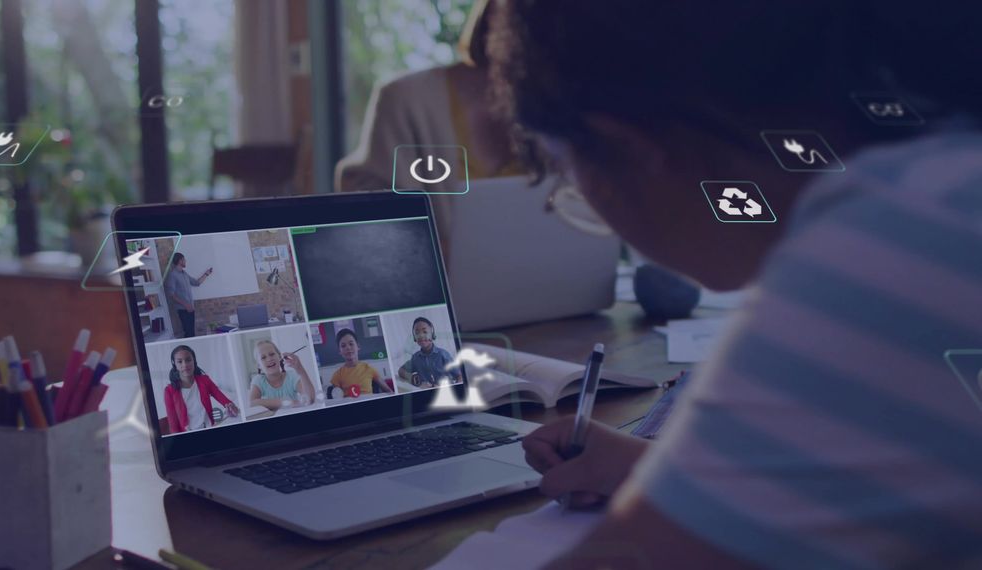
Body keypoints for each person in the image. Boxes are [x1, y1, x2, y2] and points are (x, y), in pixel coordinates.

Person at [488, 1, 982, 568]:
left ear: (628, 150)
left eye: (567, 172)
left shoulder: (905, 236)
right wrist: (673, 475)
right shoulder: (946, 185)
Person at [335, 0, 528, 252]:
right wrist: (427, 249)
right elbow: (362, 199)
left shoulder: (567, 106)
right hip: (440, 285)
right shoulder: (406, 98)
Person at [163, 345, 239, 434]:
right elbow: (173, 425)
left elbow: (224, 400)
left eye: (188, 360)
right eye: (180, 361)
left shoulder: (205, 380)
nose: (185, 365)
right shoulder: (169, 391)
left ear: (194, 361)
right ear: (174, 364)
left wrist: (231, 407)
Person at [248, 339, 317, 411]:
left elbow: (310, 399)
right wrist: (287, 402)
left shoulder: (292, 376)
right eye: (263, 357)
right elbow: (252, 403)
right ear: (259, 365)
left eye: (272, 354)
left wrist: (300, 369)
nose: (269, 359)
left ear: (280, 357)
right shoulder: (258, 380)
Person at [329, 328, 392, 397]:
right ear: (339, 351)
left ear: (358, 346)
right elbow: (336, 399)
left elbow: (388, 391)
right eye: (343, 346)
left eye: (351, 344)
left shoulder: (369, 369)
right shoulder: (337, 375)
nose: (348, 348)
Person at [397, 317, 458, 388]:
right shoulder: (415, 358)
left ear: (432, 335)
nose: (421, 335)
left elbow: (459, 376)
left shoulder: (443, 354)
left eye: (425, 332)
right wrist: (412, 378)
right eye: (417, 333)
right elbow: (401, 371)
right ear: (414, 338)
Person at [164, 252, 213, 338]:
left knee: (192, 333)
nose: (186, 261)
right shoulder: (172, 275)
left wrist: (207, 274)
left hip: (190, 309)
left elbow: (196, 283)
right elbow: (171, 294)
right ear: (180, 261)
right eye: (184, 259)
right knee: (189, 333)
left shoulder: (184, 273)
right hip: (183, 310)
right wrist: (186, 305)